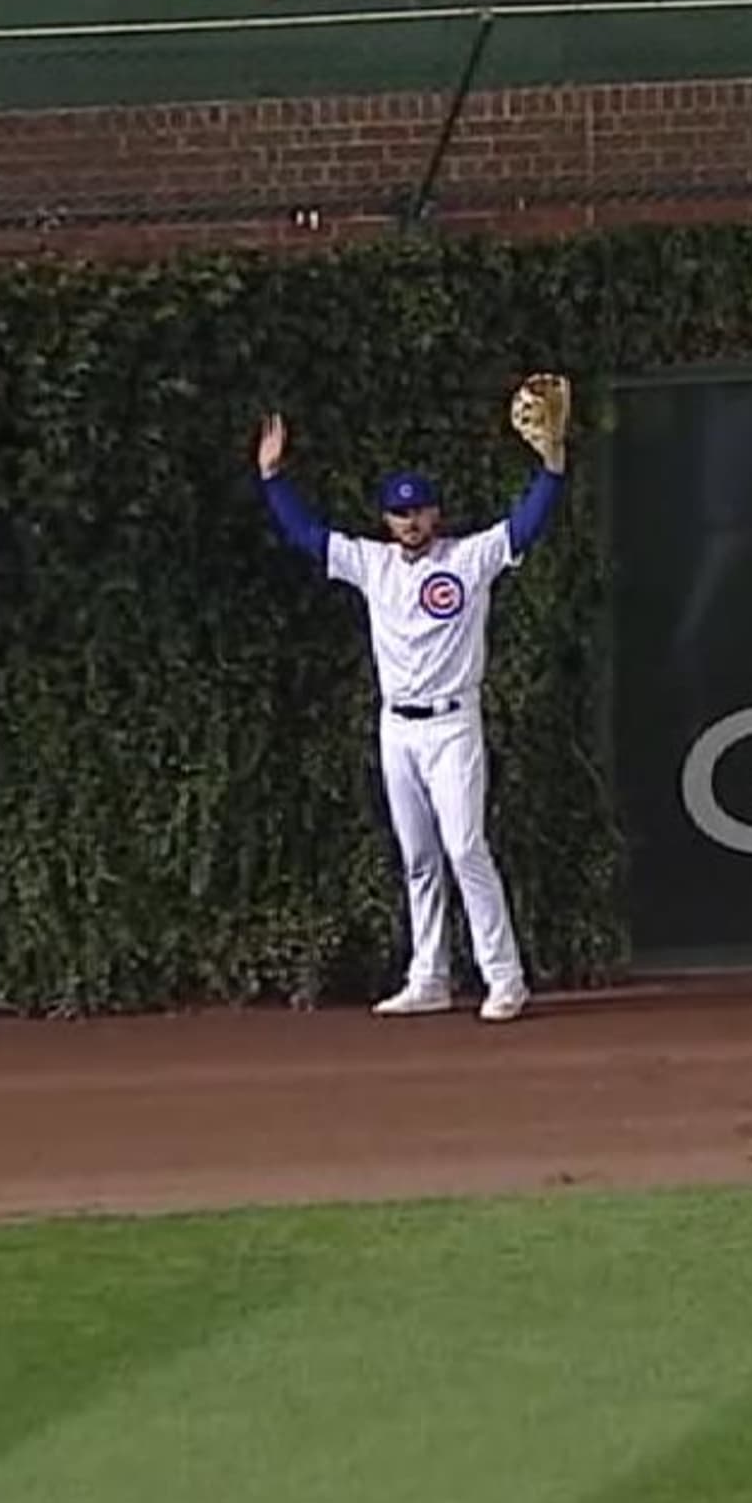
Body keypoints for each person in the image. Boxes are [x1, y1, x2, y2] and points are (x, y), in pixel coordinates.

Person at [251, 376, 572, 1023]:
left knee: (465, 847)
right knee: (420, 857)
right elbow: (308, 538)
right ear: (387, 518)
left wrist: (553, 465)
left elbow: (526, 526)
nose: (411, 521)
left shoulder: (468, 559)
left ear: (436, 514)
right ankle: (429, 977)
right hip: (397, 728)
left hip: (453, 727)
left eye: (420, 510)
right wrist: (272, 479)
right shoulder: (371, 563)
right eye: (400, 512)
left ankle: (504, 977)